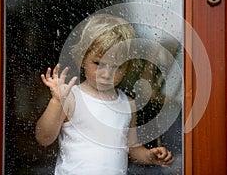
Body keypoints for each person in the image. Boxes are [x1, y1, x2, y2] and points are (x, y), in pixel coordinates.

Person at [35, 14, 174, 174]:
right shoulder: (71, 98)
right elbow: (44, 138)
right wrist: (56, 102)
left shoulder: (127, 104)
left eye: (117, 66)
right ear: (82, 58)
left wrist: (149, 156)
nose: (107, 74)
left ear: (128, 66)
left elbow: (132, 148)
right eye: (98, 63)